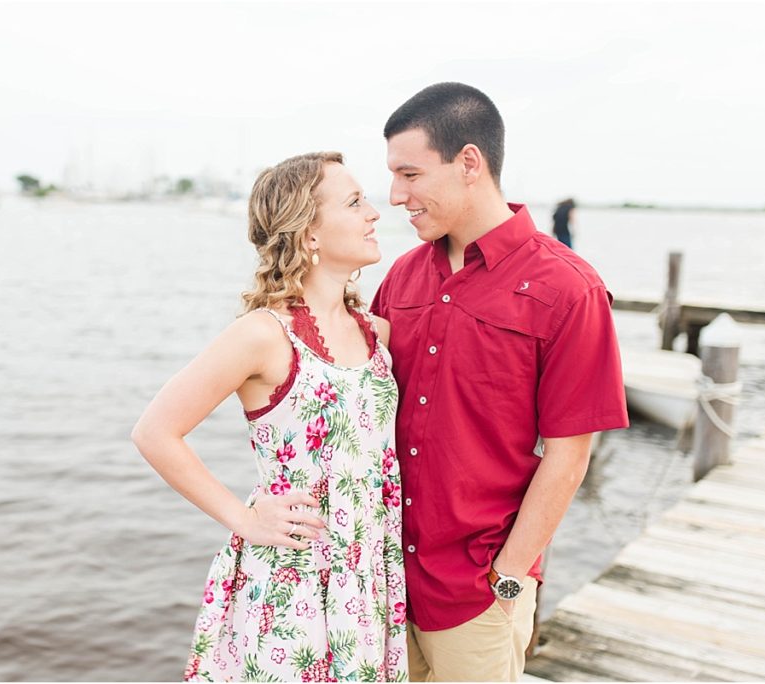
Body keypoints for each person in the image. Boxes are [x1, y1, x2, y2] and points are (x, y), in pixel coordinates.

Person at [371, 83, 629, 682]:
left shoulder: (569, 289)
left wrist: (509, 576)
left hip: (476, 591)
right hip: (380, 582)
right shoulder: (402, 276)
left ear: (468, 163)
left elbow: (569, 455)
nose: (395, 195)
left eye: (410, 174)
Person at [132, 152, 408, 682]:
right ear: (309, 233)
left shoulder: (379, 333)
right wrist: (243, 517)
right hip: (294, 575)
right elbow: (155, 432)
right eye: (354, 202)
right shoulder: (264, 334)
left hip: (368, 574)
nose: (374, 212)